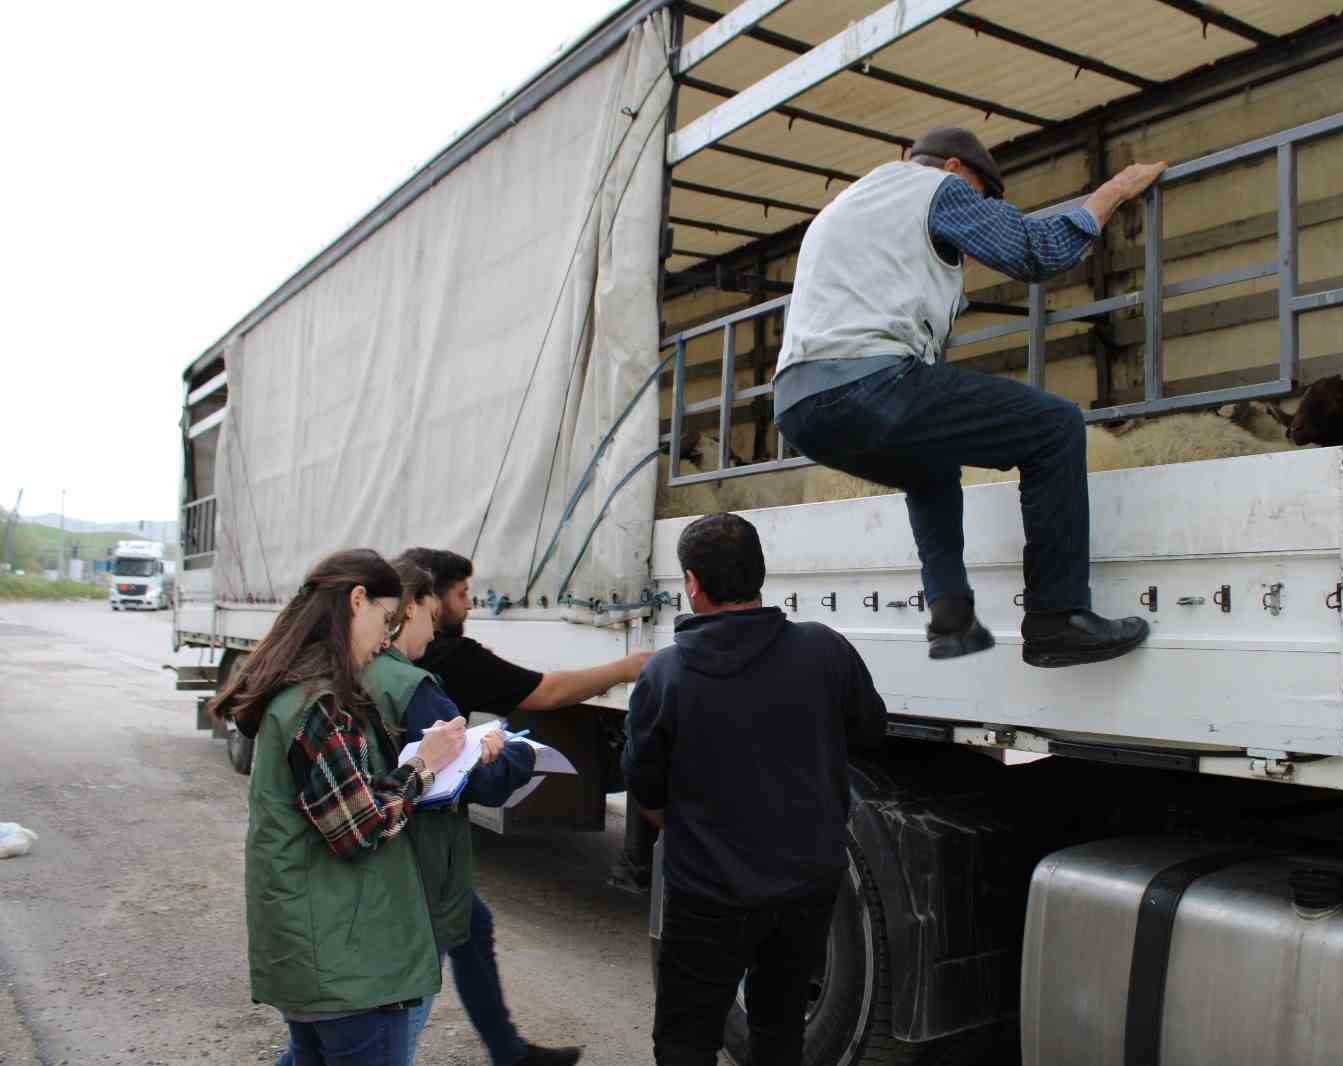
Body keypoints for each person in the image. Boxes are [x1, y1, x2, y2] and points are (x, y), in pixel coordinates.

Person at [773, 126, 1168, 668]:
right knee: (1054, 427)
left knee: (930, 467)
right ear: (957, 170)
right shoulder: (937, 189)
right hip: (865, 383)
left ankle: (951, 616)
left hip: (797, 405)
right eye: (982, 198)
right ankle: (1058, 618)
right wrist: (1116, 190)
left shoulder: (851, 202)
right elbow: (1036, 250)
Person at [624, 513, 888, 1066]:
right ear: (759, 573)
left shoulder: (665, 675)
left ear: (692, 584)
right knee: (779, 1029)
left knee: (687, 1038)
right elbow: (870, 731)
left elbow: (645, 786)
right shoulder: (825, 650)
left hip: (706, 892)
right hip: (806, 888)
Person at [394, 546, 651, 1066]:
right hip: (424, 836)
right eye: (461, 593)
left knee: (469, 927)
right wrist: (627, 667)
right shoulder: (446, 661)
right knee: (410, 982)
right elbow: (546, 692)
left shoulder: (397, 665)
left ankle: (508, 1052)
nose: (469, 604)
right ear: (429, 600)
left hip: (414, 833)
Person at [211, 549, 467, 1066]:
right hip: (348, 968)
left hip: (318, 956)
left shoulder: (299, 694)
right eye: (385, 619)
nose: (386, 639)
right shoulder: (321, 705)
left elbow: (347, 803)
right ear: (357, 601)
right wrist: (427, 766)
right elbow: (359, 827)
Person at [360, 557, 551, 1065]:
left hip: (383, 870)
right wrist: (518, 755)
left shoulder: (362, 672)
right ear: (413, 607)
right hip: (419, 872)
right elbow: (473, 781)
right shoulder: (415, 686)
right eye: (430, 611)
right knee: (397, 1021)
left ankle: (508, 1051)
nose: (436, 623)